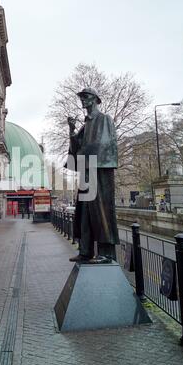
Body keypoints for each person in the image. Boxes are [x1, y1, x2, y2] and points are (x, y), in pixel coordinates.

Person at [66, 87, 120, 262]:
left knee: (100, 212)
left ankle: (106, 253)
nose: (83, 99)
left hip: (99, 173)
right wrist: (72, 132)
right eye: (81, 97)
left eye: (86, 96)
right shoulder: (85, 125)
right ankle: (85, 251)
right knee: (84, 213)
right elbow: (75, 151)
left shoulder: (104, 119)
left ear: (96, 99)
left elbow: (105, 145)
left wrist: (84, 153)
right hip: (86, 173)